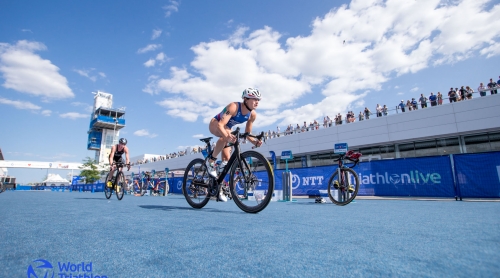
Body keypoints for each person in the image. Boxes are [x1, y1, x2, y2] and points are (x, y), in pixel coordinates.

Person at [206, 88, 263, 201]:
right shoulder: (233, 107)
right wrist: (227, 136)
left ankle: (218, 188)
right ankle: (211, 161)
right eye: (254, 99)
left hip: (227, 129)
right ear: (245, 99)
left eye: (258, 100)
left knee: (226, 160)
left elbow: (247, 134)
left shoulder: (252, 115)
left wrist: (255, 142)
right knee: (226, 133)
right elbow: (220, 126)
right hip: (215, 124)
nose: (257, 102)